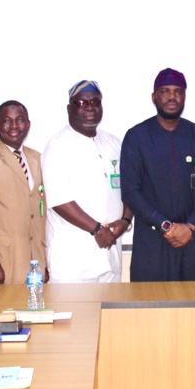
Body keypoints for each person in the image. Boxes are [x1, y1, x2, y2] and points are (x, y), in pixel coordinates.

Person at [121, 68, 195, 281]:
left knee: (194, 301)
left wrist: (190, 225)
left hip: (192, 239)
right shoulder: (136, 137)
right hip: (152, 242)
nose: (172, 97)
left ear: (184, 96)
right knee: (150, 300)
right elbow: (130, 191)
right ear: (154, 97)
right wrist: (165, 225)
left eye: (178, 91)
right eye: (165, 91)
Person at [42, 81, 132, 282]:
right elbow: (59, 200)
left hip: (111, 255)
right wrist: (97, 229)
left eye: (95, 102)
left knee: (112, 304)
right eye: (82, 103)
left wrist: (125, 221)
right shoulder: (58, 146)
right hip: (73, 261)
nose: (90, 107)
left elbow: (130, 188)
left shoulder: (114, 143)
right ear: (69, 109)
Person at [0, 100, 47, 283]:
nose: (14, 126)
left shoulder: (37, 158)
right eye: (7, 121)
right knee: (3, 303)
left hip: (35, 259)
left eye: (20, 120)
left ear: (28, 124)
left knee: (33, 302)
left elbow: (41, 213)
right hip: (3, 259)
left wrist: (45, 260)